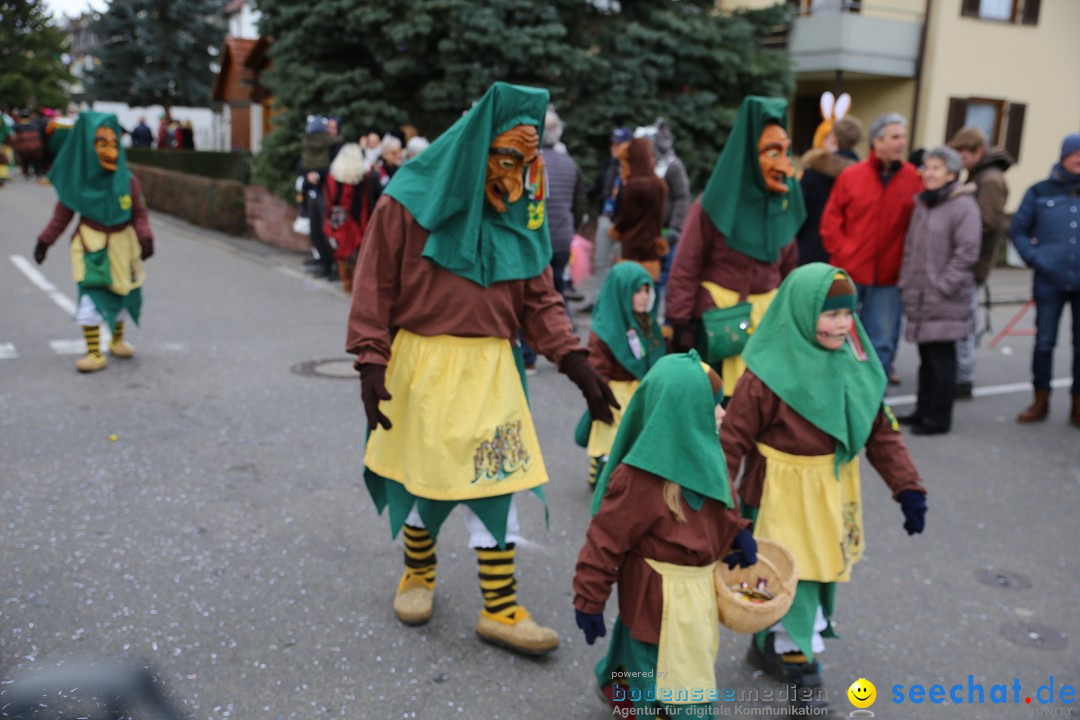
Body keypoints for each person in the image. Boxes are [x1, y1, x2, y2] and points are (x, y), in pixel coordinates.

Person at [346, 82, 619, 656]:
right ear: (477, 149)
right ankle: (418, 575)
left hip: (493, 368)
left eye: (528, 161)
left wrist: (576, 362)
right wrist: (372, 362)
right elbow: (373, 286)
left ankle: (500, 608)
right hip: (421, 365)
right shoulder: (407, 199)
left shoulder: (520, 211)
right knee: (421, 480)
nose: (518, 178)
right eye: (507, 159)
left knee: (498, 485)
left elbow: (540, 298)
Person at [721, 264, 927, 716]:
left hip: (831, 490)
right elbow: (728, 447)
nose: (840, 324)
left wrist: (907, 487)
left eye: (846, 314)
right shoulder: (764, 376)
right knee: (795, 574)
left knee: (814, 571)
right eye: (828, 314)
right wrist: (729, 519)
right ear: (800, 311)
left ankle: (769, 645)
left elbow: (880, 428)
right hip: (781, 492)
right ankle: (801, 663)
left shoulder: (854, 363)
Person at [573, 352, 756, 718]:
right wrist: (588, 599)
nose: (723, 413)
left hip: (695, 597)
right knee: (666, 690)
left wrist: (736, 535)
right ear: (681, 412)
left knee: (667, 669)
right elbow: (605, 540)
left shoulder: (709, 453)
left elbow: (721, 509)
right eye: (712, 406)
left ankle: (617, 686)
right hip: (655, 600)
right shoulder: (640, 478)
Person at [667, 96, 804, 399]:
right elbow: (686, 265)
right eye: (772, 152)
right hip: (720, 323)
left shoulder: (781, 205)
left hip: (767, 323)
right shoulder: (712, 206)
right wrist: (681, 320)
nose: (785, 164)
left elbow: (789, 269)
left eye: (786, 151)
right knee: (714, 408)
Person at [32, 112, 154, 373]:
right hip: (91, 244)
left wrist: (145, 236)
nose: (110, 152)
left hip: (124, 245)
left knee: (123, 291)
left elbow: (139, 212)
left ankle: (118, 340)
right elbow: (62, 216)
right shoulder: (79, 182)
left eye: (113, 144)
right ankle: (93, 351)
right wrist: (45, 241)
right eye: (101, 144)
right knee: (91, 296)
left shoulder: (127, 179)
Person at [820, 112, 923, 383]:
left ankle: (876, 405)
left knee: (882, 344)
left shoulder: (913, 179)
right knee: (839, 339)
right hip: (849, 274)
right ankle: (841, 392)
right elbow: (830, 221)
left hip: (889, 278)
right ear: (876, 141)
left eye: (903, 137)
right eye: (894, 137)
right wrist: (843, 253)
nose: (901, 143)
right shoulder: (851, 176)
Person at [896, 146, 980, 435]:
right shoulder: (924, 203)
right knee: (927, 360)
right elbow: (911, 249)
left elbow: (967, 252)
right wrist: (906, 282)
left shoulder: (963, 206)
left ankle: (938, 418)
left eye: (935, 168)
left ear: (952, 174)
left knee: (941, 361)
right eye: (926, 168)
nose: (928, 173)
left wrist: (943, 286)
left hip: (944, 297)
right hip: (920, 295)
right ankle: (923, 410)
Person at [1009, 133, 1080, 427]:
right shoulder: (1040, 190)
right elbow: (1018, 231)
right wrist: (1036, 259)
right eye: (1075, 154)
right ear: (1063, 156)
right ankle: (1040, 400)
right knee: (1044, 342)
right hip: (1049, 281)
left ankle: (1078, 405)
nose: (1079, 160)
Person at [579, 263, 667, 486]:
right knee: (611, 439)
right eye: (637, 291)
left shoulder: (646, 321)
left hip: (639, 391)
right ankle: (602, 472)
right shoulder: (605, 328)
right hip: (614, 395)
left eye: (647, 290)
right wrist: (600, 398)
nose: (644, 297)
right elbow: (597, 371)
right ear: (621, 291)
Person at [947, 127, 1013, 399]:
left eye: (965, 153)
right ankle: (961, 373)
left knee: (964, 321)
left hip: (973, 262)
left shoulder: (990, 180)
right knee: (961, 319)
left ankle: (964, 377)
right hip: (970, 260)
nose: (961, 159)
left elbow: (985, 223)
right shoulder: (979, 176)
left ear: (979, 153)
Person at [635, 118, 691, 298]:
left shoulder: (673, 166)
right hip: (646, 231)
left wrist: (675, 229)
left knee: (665, 276)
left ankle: (666, 320)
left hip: (666, 232)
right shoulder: (645, 168)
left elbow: (682, 198)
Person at [797, 116, 862, 266]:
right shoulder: (862, 176)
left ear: (833, 138)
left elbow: (798, 213)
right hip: (846, 255)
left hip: (808, 251)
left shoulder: (812, 172)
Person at [583, 127, 633, 310]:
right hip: (606, 217)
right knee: (600, 261)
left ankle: (619, 304)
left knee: (621, 264)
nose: (614, 147)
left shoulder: (632, 168)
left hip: (623, 222)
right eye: (612, 143)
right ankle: (598, 301)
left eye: (618, 143)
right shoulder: (609, 164)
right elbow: (597, 187)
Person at [611, 136, 668, 281]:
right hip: (651, 250)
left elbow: (626, 217)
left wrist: (616, 230)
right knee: (647, 293)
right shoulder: (660, 185)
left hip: (632, 249)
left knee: (629, 291)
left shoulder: (633, 185)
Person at [323, 143, 369, 291]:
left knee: (340, 250)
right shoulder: (363, 179)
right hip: (355, 219)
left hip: (338, 218)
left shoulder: (332, 178)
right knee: (355, 252)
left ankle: (346, 283)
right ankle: (353, 284)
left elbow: (328, 200)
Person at [299, 115, 339, 280]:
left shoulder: (334, 146)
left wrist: (317, 175)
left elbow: (334, 169)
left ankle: (333, 266)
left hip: (326, 192)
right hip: (314, 192)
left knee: (326, 231)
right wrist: (308, 174)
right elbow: (300, 165)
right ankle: (325, 264)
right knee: (316, 230)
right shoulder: (307, 146)